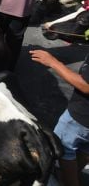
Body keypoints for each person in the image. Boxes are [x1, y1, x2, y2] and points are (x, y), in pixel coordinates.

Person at [29, 50, 89, 186]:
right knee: (85, 147)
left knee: (63, 148)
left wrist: (53, 62)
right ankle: (67, 174)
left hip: (81, 116)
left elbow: (86, 86)